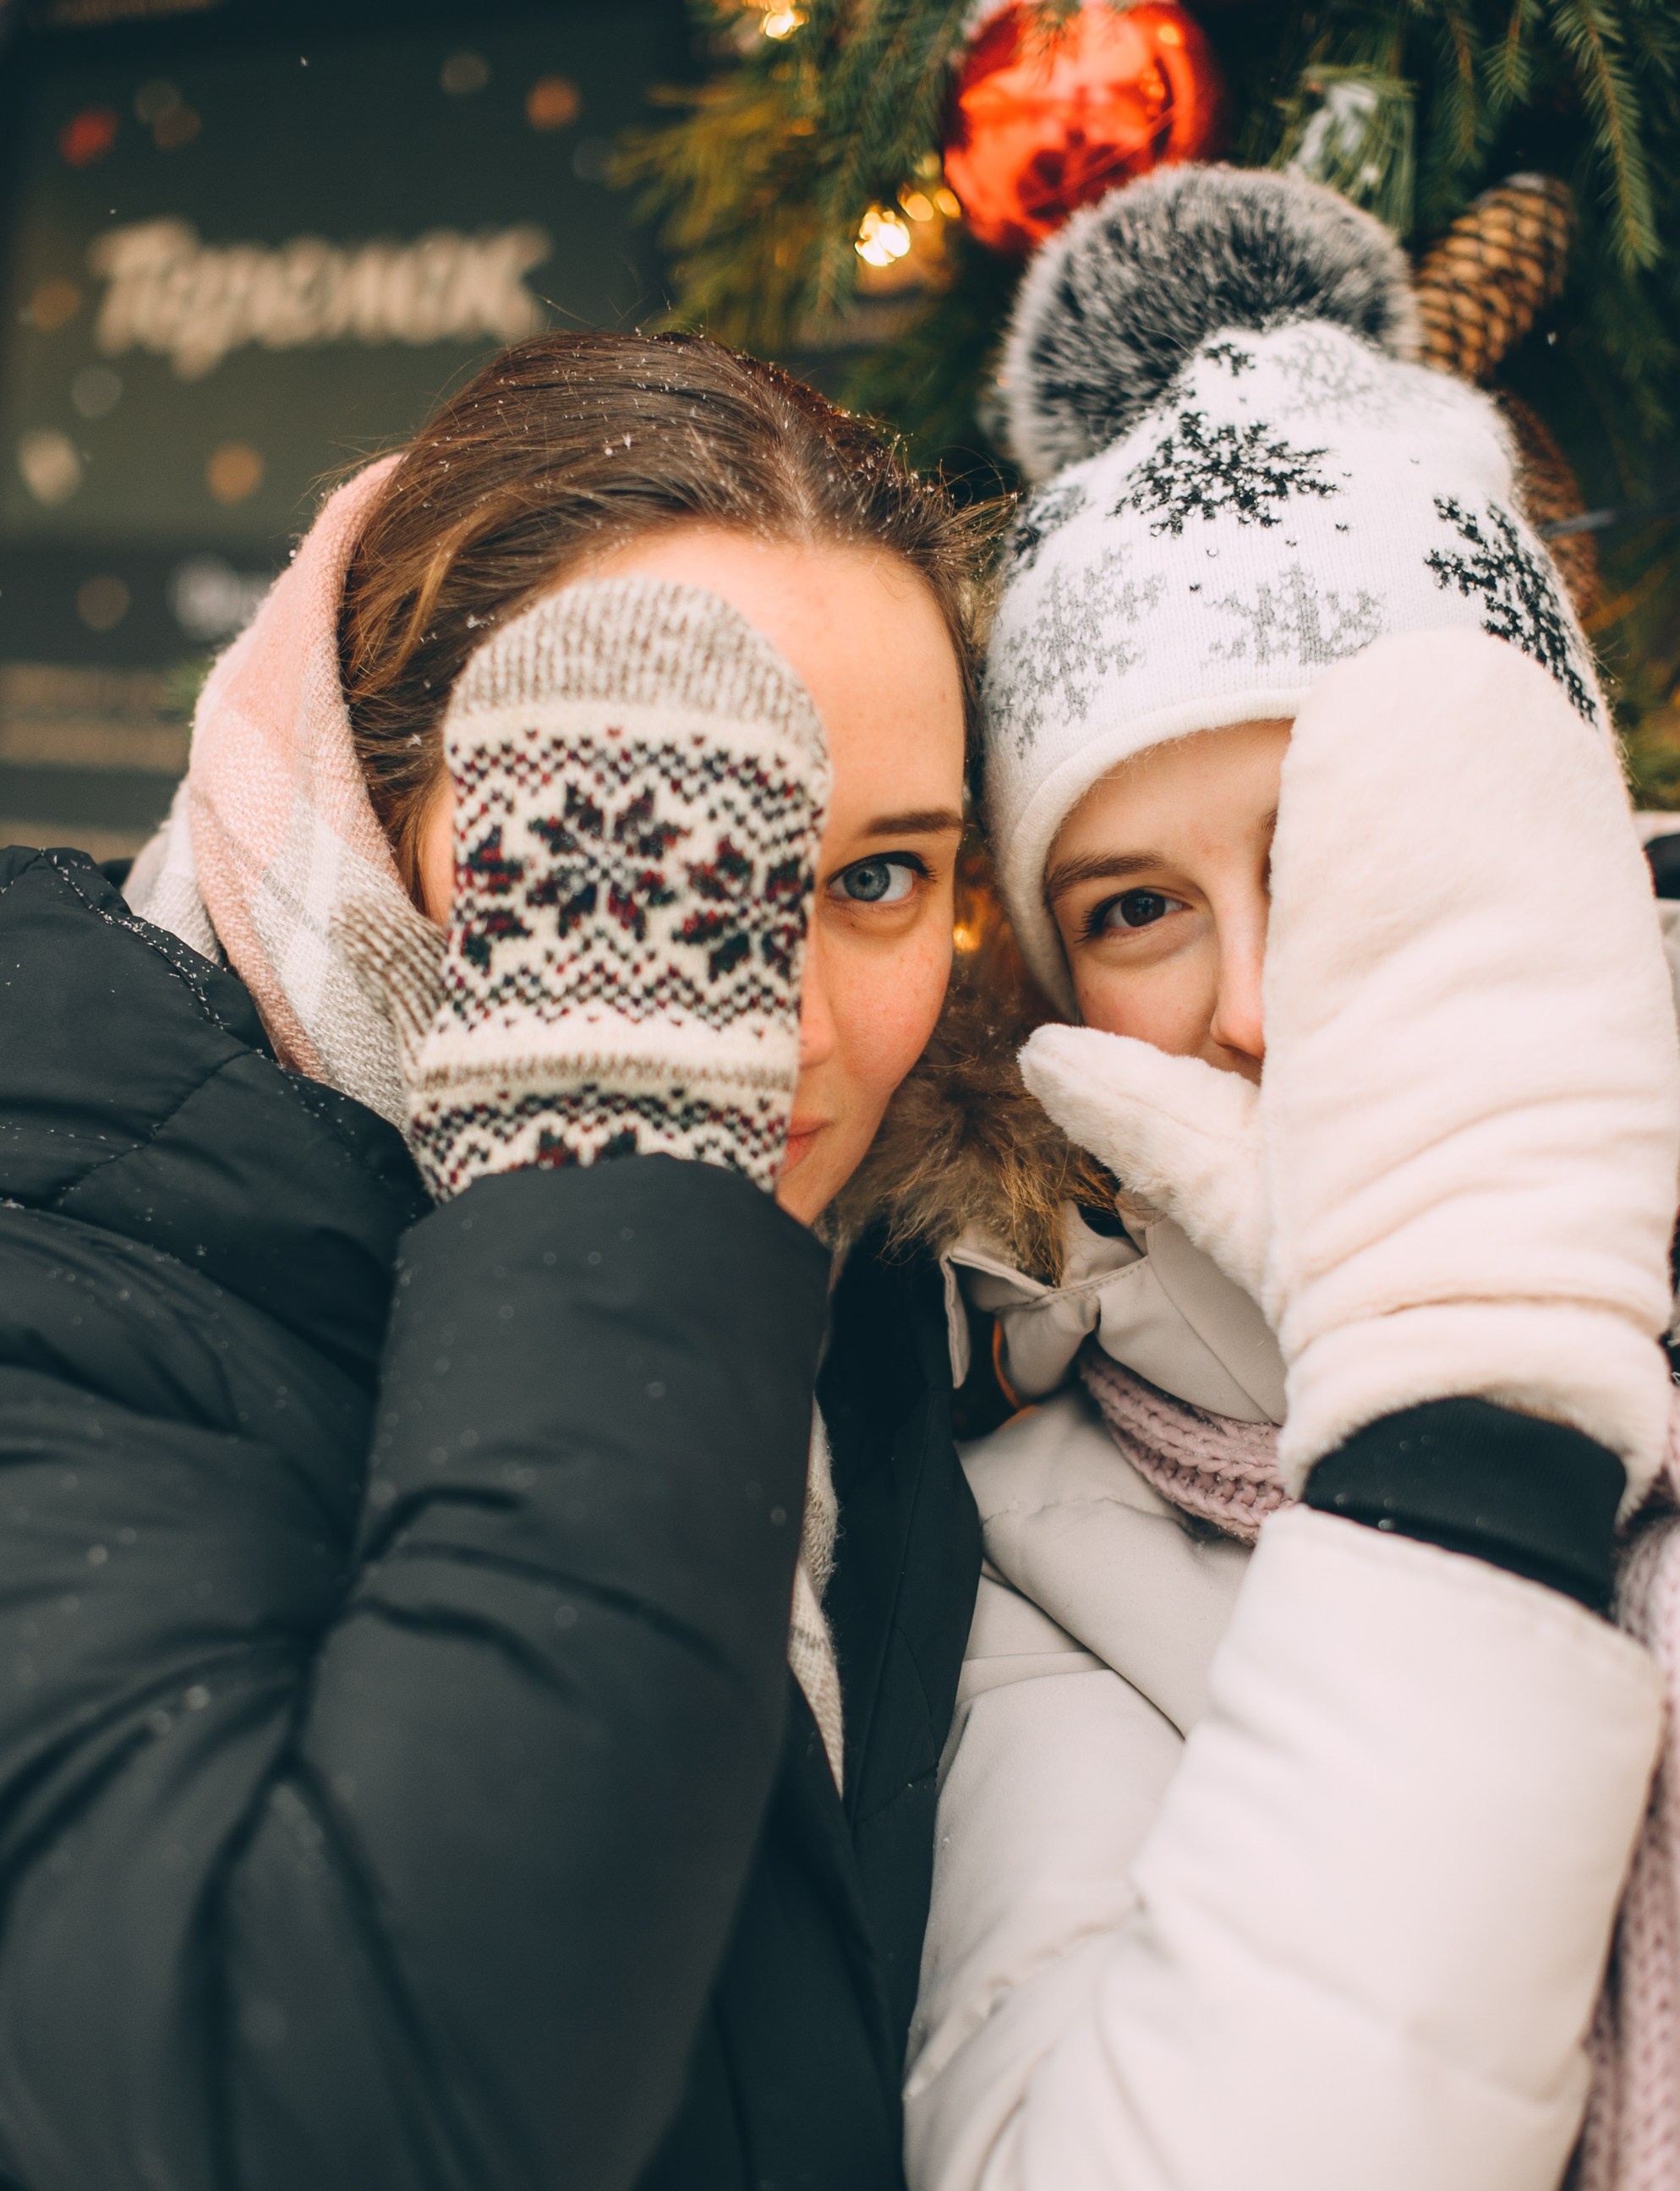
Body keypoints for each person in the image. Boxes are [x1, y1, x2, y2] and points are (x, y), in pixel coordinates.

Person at [0, 331, 988, 2189]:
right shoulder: (54, 1273)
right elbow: (334, 2102)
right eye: (624, 858)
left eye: (876, 880)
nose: (768, 1026)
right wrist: (618, 1159)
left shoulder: (888, 1323)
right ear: (363, 818)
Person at [864, 167, 1680, 2190]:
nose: (1250, 1002)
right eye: (1137, 906)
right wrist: (1465, 1441)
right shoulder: (1050, 1538)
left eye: (1338, 832)